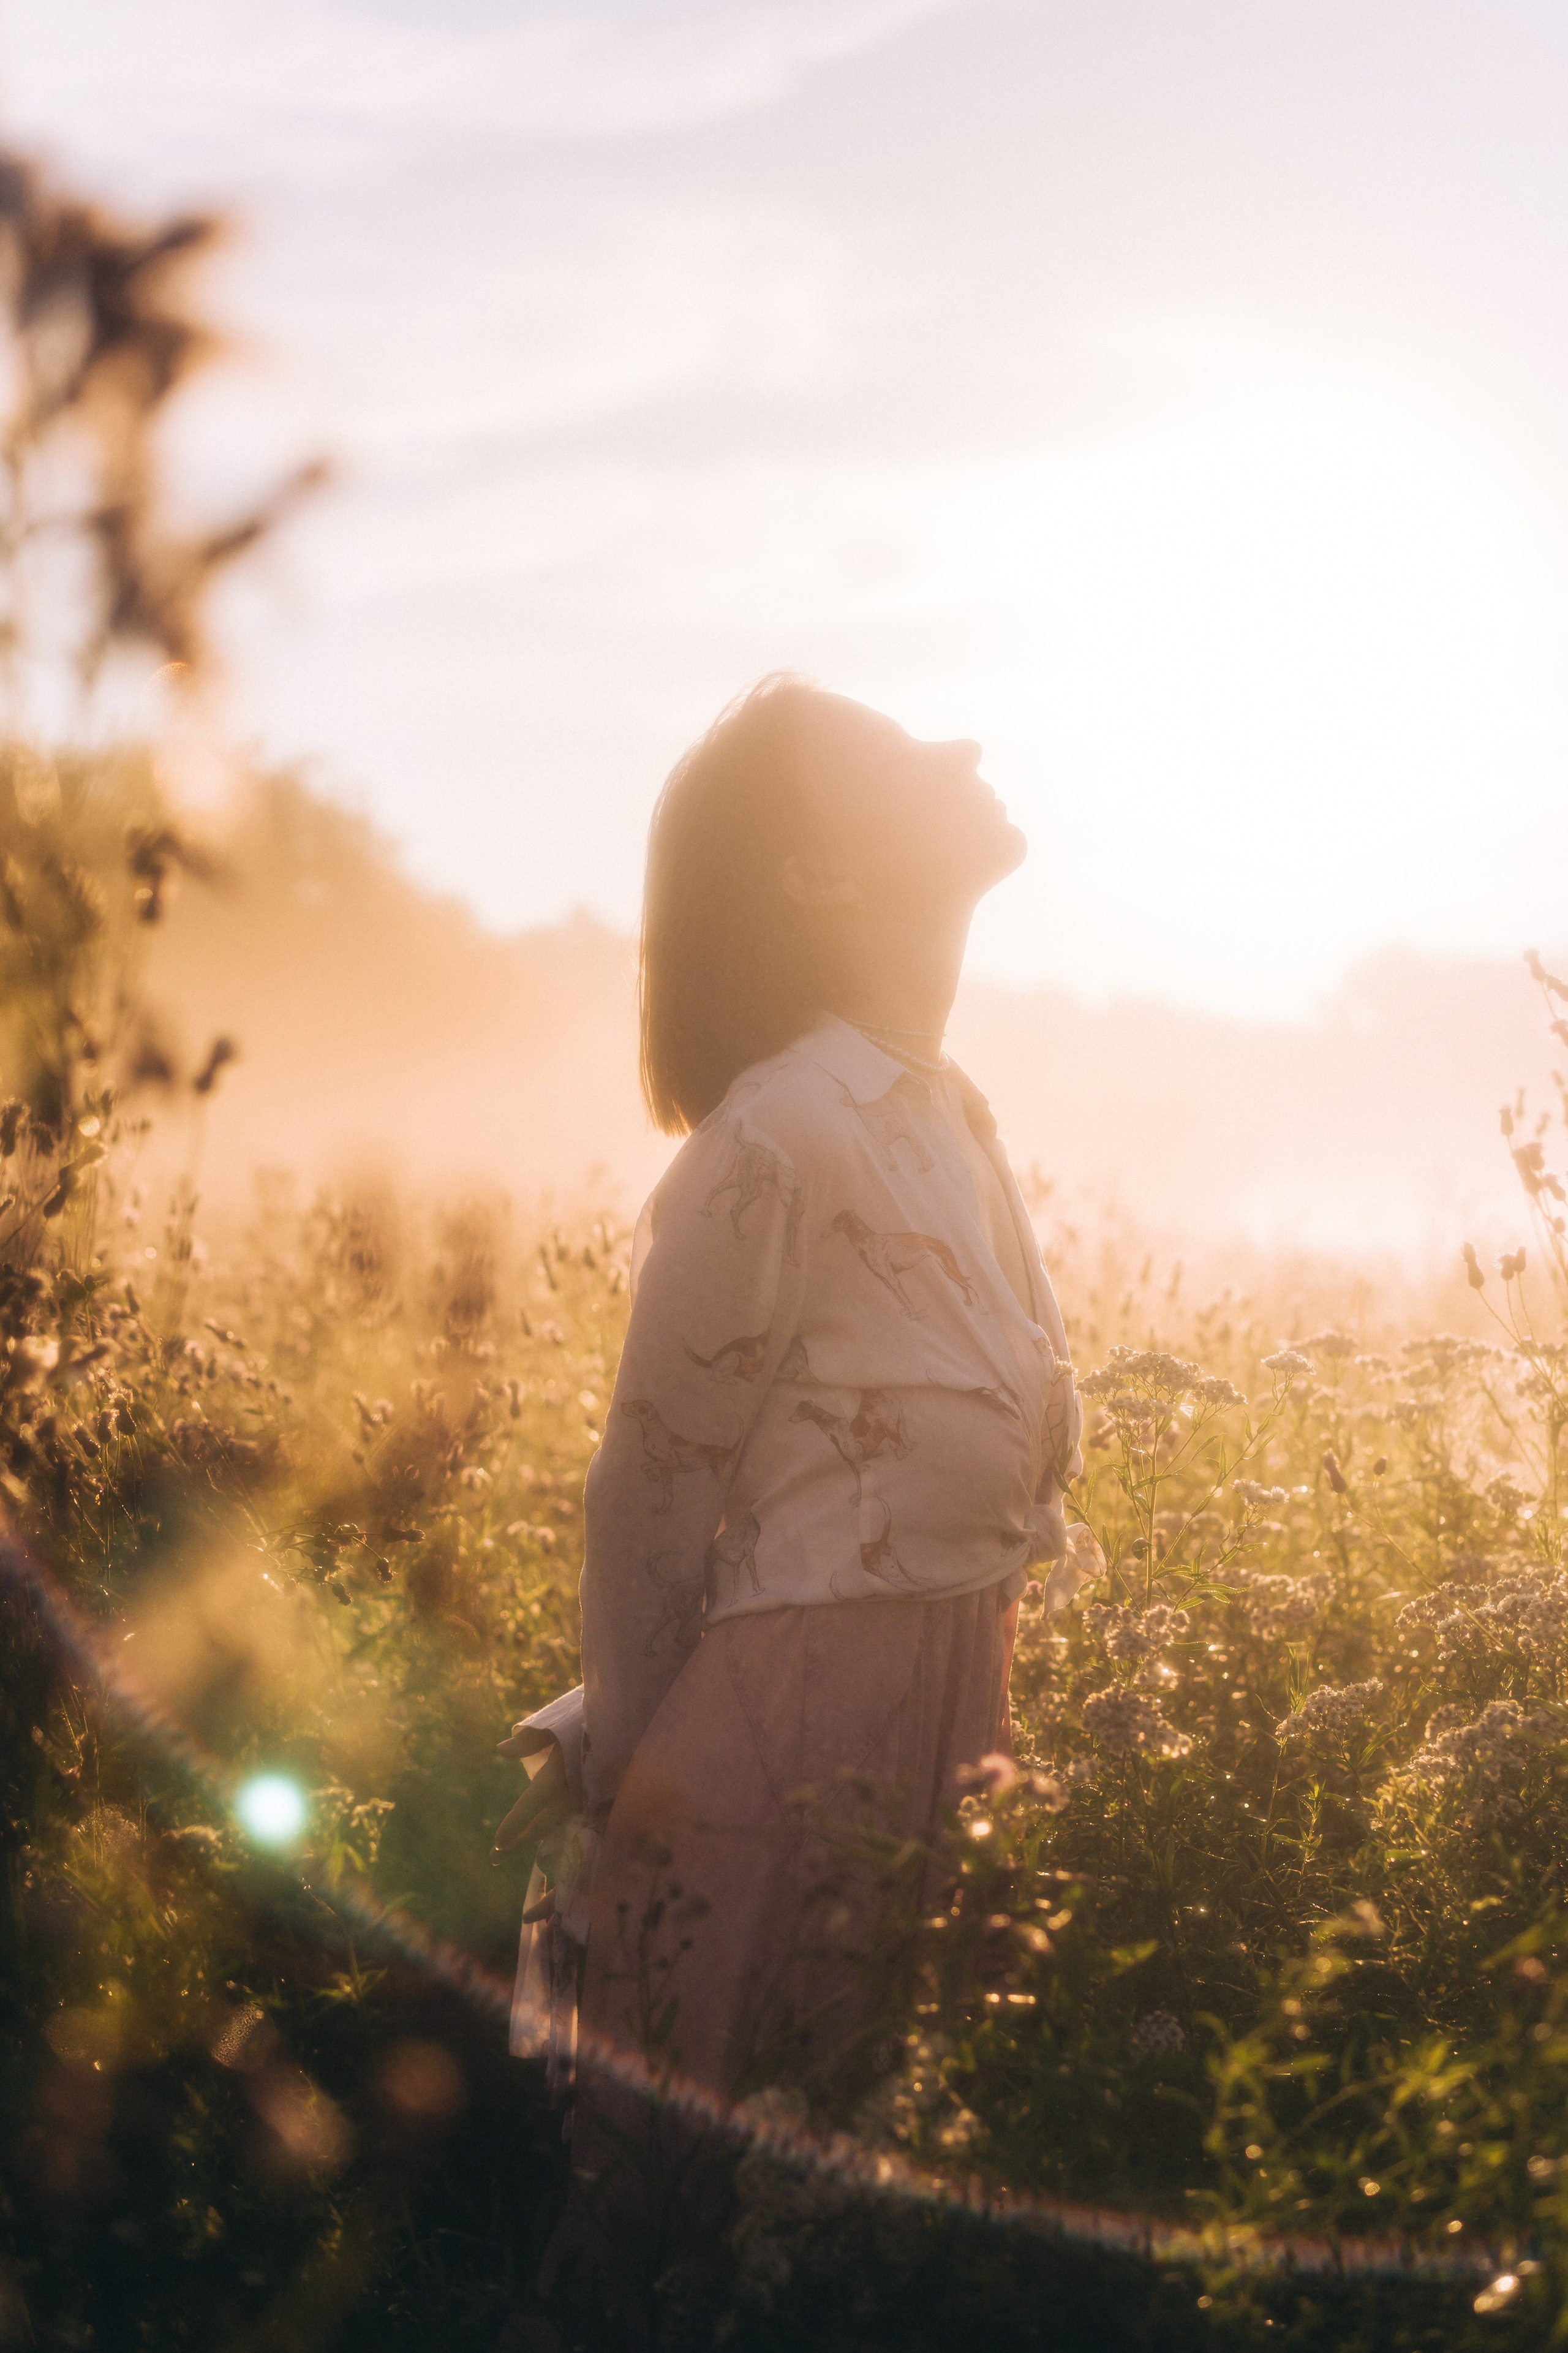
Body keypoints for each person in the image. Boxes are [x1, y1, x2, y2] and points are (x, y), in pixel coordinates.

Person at [491, 675, 1090, 2332]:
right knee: (689, 2226)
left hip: (934, 1714)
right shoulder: (786, 1129)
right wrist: (627, 1763)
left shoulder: (949, 1114)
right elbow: (655, 1473)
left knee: (840, 2222)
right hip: (783, 1746)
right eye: (901, 756)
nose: (964, 743)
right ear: (821, 877)